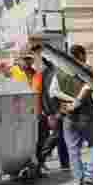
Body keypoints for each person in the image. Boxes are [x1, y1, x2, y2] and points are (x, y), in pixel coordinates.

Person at [50, 44, 93, 185]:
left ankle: (77, 182)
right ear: (82, 55)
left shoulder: (60, 71)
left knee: (73, 149)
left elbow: (53, 91)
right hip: (86, 112)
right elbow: (90, 86)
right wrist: (77, 102)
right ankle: (90, 176)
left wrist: (68, 101)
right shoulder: (87, 69)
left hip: (68, 113)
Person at [30, 43, 69, 171]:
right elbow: (45, 94)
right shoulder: (49, 74)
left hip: (55, 110)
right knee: (57, 136)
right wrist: (51, 113)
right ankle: (39, 159)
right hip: (56, 110)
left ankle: (64, 162)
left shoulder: (49, 72)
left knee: (61, 136)